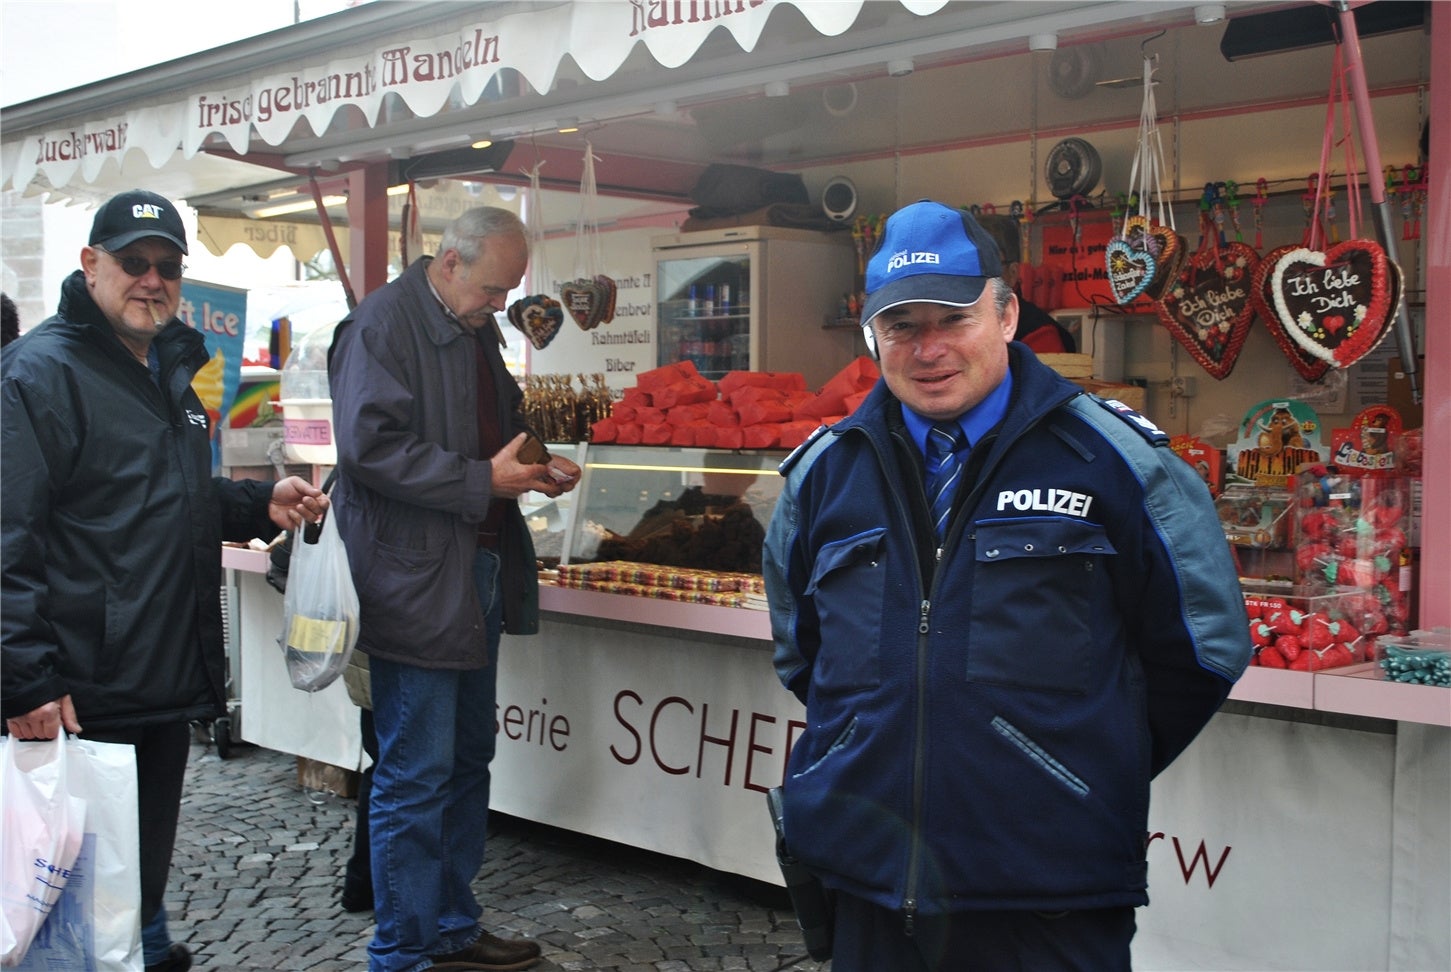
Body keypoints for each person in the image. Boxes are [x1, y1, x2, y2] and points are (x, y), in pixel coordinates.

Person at [762, 199, 1250, 971]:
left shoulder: (1116, 461)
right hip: (870, 879)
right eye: (902, 326)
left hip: (1047, 889)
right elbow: (802, 652)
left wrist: (1071, 764)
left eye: (951, 320)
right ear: (874, 334)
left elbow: (1204, 646)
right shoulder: (824, 474)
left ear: (1006, 313)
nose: (927, 350)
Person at [1, 189, 329, 972]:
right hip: (82, 682)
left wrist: (255, 501)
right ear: (90, 265)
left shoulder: (168, 368)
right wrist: (24, 682)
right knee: (66, 895)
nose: (152, 279)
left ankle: (145, 945)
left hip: (160, 668)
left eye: (168, 267)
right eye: (134, 262)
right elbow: (7, 536)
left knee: (136, 871)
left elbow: (158, 498)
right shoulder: (39, 374)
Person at [328, 206, 580, 972]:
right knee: (416, 770)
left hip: (475, 569)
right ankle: (402, 950)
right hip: (413, 579)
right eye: (493, 288)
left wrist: (533, 463)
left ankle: (449, 926)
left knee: (469, 758)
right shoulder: (381, 325)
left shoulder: (472, 326)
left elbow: (488, 428)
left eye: (507, 291)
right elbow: (369, 450)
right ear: (448, 262)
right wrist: (484, 480)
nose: (500, 304)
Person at [977, 212, 1077, 352]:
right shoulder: (954, 321)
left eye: (986, 266)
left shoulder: (1040, 335)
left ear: (1012, 273)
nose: (974, 276)